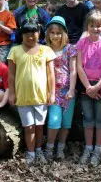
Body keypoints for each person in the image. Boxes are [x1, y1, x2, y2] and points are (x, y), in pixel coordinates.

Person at [8, 18, 56, 165]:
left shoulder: (46, 50)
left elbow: (50, 74)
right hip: (23, 96)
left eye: (33, 33)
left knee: (40, 126)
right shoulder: (15, 50)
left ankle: (39, 150)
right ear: (21, 35)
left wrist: (52, 93)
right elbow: (11, 74)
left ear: (39, 33)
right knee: (28, 127)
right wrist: (12, 93)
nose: (30, 37)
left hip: (41, 96)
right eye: (26, 33)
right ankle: (30, 153)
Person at [76, 10, 101, 166]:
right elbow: (79, 67)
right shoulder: (82, 43)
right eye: (92, 25)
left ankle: (98, 150)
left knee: (99, 118)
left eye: (99, 26)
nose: (95, 29)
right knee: (88, 118)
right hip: (85, 86)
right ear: (88, 26)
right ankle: (88, 148)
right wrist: (88, 88)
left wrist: (97, 87)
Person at [44, 16, 77, 161]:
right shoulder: (45, 49)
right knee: (53, 120)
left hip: (67, 91)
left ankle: (60, 148)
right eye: (52, 32)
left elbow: (73, 70)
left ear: (63, 34)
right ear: (48, 34)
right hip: (52, 91)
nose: (55, 36)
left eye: (58, 33)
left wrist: (71, 89)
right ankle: (50, 147)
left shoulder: (69, 49)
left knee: (66, 122)